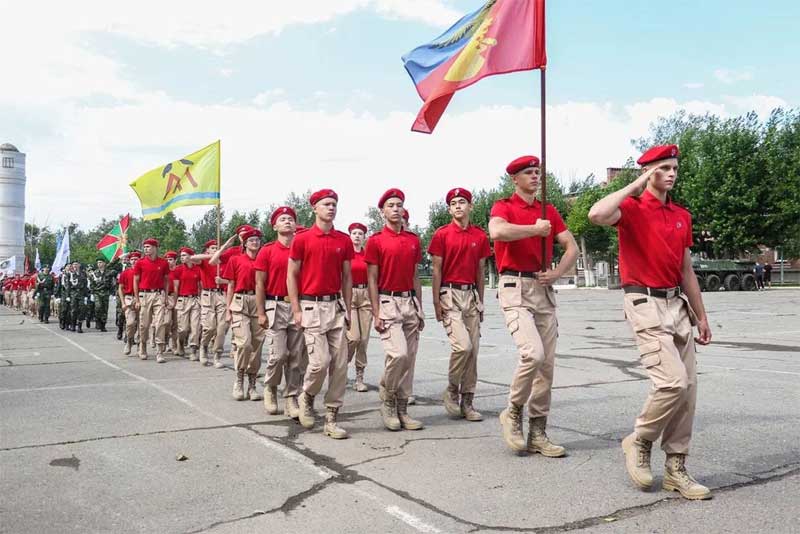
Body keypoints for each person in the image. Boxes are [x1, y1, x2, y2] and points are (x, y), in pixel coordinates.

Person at [589, 144, 713, 500]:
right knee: (672, 382)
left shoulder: (681, 215)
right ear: (647, 172)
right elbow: (598, 213)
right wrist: (639, 181)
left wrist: (702, 316)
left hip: (677, 304)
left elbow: (687, 270)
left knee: (687, 390)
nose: (672, 173)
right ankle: (639, 439)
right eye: (664, 168)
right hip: (644, 301)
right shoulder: (630, 208)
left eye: (674, 167)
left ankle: (676, 468)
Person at [489, 155, 578, 457]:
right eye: (529, 173)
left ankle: (538, 432)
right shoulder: (504, 206)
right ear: (515, 179)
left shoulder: (548, 210)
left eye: (538, 172)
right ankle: (513, 411)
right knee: (533, 353)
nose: (535, 177)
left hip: (542, 288)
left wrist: (557, 272)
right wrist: (535, 230)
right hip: (515, 287)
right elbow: (498, 232)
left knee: (547, 367)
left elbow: (572, 247)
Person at [288, 189, 353, 439]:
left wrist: (347, 308)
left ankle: (331, 417)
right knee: (319, 363)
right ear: (314, 207)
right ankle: (307, 396)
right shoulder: (303, 239)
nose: (331, 207)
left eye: (334, 204)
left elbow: (347, 276)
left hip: (335, 306)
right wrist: (296, 309)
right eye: (326, 204)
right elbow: (292, 274)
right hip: (311, 307)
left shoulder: (343, 240)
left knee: (339, 365)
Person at [429, 188, 492, 421]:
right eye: (453, 203)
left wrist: (481, 303)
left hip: (471, 296)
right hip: (449, 293)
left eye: (462, 202)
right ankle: (452, 390)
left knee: (473, 351)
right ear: (449, 209)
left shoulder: (480, 236)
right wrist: (436, 302)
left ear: (470, 207)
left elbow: (481, 270)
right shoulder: (442, 234)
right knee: (462, 346)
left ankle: (468, 401)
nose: (458, 206)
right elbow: (436, 270)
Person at [366, 188, 425, 432]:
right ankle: (388, 399)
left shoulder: (412, 240)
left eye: (399, 204)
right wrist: (376, 311)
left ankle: (403, 408)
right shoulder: (376, 241)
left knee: (409, 360)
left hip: (409, 302)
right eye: (391, 205)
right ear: (382, 212)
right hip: (387, 302)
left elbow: (415, 276)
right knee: (398, 354)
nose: (396, 208)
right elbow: (372, 279)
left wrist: (419, 307)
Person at [256, 206, 305, 418]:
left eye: (291, 219)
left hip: (297, 306)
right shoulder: (267, 250)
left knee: (296, 356)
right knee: (278, 354)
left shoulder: (302, 249)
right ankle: (270, 388)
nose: (287, 222)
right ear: (274, 225)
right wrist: (260, 312)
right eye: (283, 219)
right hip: (274, 306)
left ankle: (291, 398)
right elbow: (259, 284)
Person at [223, 228, 266, 401]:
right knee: (244, 343)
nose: (254, 243)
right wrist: (228, 310)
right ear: (245, 243)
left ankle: (252, 384)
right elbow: (231, 286)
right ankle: (239, 379)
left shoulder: (264, 259)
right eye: (251, 240)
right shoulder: (235, 259)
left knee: (256, 346)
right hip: (240, 302)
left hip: (258, 302)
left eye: (257, 240)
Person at [190, 240, 228, 368]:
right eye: (213, 248)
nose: (216, 249)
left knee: (222, 327)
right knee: (210, 326)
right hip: (208, 295)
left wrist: (223, 280)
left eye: (217, 247)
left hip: (222, 295)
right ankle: (204, 346)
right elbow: (192, 258)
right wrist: (212, 255)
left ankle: (217, 355)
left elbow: (232, 279)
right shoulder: (204, 261)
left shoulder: (224, 261)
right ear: (207, 250)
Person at [133, 238, 170, 362]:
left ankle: (160, 352)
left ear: (155, 248)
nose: (146, 249)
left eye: (148, 247)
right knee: (144, 324)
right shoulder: (140, 263)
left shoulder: (163, 263)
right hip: (145, 295)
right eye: (145, 247)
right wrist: (137, 299)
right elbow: (136, 281)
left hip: (159, 294)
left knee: (160, 323)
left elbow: (166, 280)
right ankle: (142, 346)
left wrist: (165, 296)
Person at [346, 222, 372, 392]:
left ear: (364, 237)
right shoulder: (346, 256)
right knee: (353, 337)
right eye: (354, 233)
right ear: (350, 236)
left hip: (366, 295)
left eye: (360, 233)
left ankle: (359, 377)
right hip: (350, 294)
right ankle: (341, 365)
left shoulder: (367, 256)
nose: (357, 236)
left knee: (363, 340)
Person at [172, 247, 203, 361]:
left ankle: (193, 350)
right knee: (183, 328)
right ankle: (180, 343)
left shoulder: (198, 269)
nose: (182, 258)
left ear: (191, 256)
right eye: (181, 256)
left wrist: (201, 300)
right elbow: (176, 287)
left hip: (195, 300)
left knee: (195, 327)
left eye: (184, 255)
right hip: (182, 300)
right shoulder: (178, 270)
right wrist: (175, 302)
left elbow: (200, 286)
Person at [118, 251, 141, 355]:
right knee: (130, 323)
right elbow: (120, 288)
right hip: (129, 299)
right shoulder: (125, 272)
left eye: (136, 259)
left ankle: (141, 345)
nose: (134, 261)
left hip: (141, 298)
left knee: (142, 325)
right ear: (129, 261)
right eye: (132, 259)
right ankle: (129, 341)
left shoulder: (143, 272)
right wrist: (123, 302)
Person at [88, 258, 118, 332]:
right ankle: (97, 320)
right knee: (98, 307)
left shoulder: (108, 272)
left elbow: (113, 266)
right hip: (97, 293)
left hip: (105, 292)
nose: (99, 264)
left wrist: (119, 258)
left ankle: (103, 325)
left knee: (105, 309)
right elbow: (92, 284)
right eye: (98, 263)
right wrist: (92, 293)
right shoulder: (94, 273)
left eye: (101, 262)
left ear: (104, 263)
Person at [66, 262, 89, 333]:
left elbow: (85, 285)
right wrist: (68, 296)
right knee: (73, 310)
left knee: (82, 310)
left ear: (79, 265)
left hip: (81, 293)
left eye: (76, 264)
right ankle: (73, 325)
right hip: (73, 293)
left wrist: (86, 295)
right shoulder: (70, 274)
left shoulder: (83, 273)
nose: (75, 266)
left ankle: (79, 326)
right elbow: (68, 286)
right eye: (73, 265)